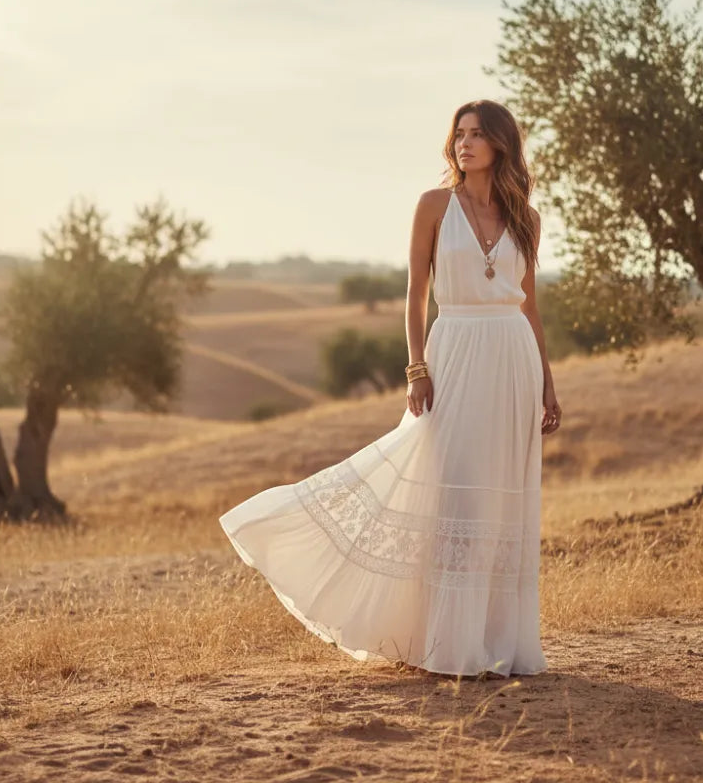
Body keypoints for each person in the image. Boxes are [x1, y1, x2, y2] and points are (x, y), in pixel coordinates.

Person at [218, 99, 561, 678]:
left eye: (477, 135)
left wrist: (548, 384)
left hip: (513, 363)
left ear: (502, 144)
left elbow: (530, 307)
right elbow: (415, 294)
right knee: (450, 489)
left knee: (500, 499)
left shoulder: (523, 215)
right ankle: (444, 642)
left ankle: (497, 641)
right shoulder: (433, 206)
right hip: (455, 351)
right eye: (459, 134)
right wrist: (416, 367)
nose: (464, 144)